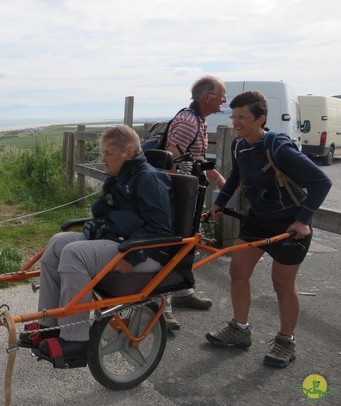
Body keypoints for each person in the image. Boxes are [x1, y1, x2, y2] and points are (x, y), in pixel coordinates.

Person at [17, 124, 174, 360]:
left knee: (74, 254)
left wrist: (132, 257)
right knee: (57, 243)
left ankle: (75, 341)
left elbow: (161, 229)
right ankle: (48, 325)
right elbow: (106, 213)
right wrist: (108, 190)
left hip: (147, 252)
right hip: (120, 241)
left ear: (128, 154)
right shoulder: (120, 178)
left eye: (108, 154)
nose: (103, 159)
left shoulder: (149, 179)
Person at [206, 90, 331, 368]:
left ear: (261, 119)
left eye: (243, 117)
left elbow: (322, 182)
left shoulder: (279, 147)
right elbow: (237, 176)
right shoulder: (239, 145)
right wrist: (220, 203)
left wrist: (303, 220)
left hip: (289, 225)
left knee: (282, 284)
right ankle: (240, 330)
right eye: (233, 116)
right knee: (237, 271)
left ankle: (286, 341)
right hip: (257, 219)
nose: (236, 122)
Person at [162, 75, 228, 330]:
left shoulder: (198, 119)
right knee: (172, 246)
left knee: (188, 243)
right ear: (206, 97)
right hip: (177, 195)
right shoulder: (189, 120)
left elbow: (196, 158)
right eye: (221, 94)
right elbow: (172, 156)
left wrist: (218, 179)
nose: (224, 99)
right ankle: (163, 307)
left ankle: (182, 293)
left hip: (188, 194)